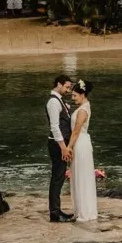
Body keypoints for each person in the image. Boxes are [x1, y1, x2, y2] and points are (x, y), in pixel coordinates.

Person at [67, 79, 98, 223]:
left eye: (75, 96)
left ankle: (85, 212)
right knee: (78, 175)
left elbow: (76, 131)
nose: (73, 98)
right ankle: (81, 209)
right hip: (81, 142)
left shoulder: (83, 110)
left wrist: (68, 147)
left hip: (80, 144)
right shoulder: (84, 107)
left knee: (82, 175)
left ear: (83, 94)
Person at [45, 74, 74, 222]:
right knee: (57, 177)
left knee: (60, 177)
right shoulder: (53, 103)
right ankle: (54, 213)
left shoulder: (60, 102)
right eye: (67, 87)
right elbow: (55, 127)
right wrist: (63, 147)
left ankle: (57, 210)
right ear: (58, 84)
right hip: (57, 145)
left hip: (60, 144)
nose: (68, 90)